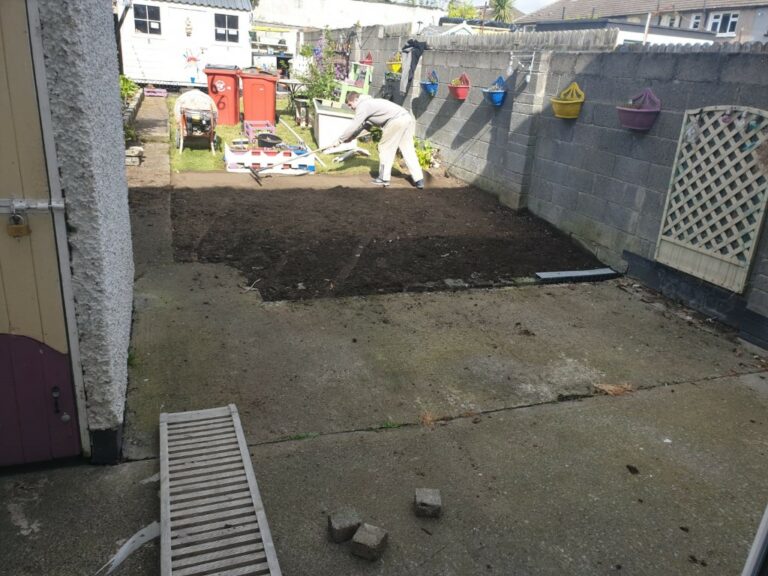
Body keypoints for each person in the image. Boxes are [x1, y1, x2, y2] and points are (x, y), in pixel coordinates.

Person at [334, 93, 424, 189]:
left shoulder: (363, 106)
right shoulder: (370, 103)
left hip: (395, 121)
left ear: (356, 100)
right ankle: (419, 179)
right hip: (406, 117)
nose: (350, 107)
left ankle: (383, 178)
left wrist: (340, 140)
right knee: (408, 149)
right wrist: (352, 137)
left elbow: (354, 125)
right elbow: (367, 127)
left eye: (350, 104)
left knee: (384, 147)